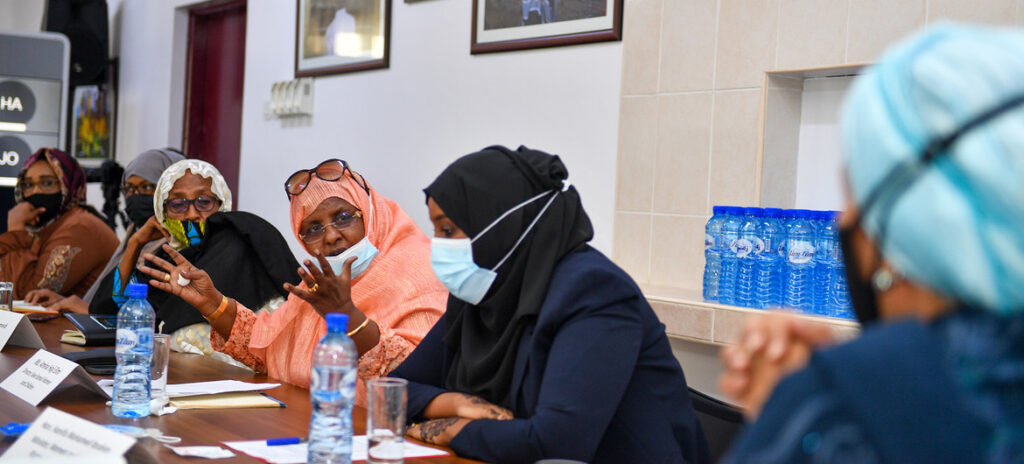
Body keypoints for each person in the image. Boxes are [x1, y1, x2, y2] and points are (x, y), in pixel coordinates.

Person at [718, 24, 1024, 463]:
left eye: (853, 190)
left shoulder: (842, 407)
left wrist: (821, 408)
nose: (844, 220)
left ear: (906, 219)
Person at [390, 146, 711, 464]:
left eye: (448, 230)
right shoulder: (482, 287)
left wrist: (449, 431)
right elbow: (394, 391)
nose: (439, 246)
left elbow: (557, 442)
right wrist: (455, 403)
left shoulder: (594, 291)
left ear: (499, 222)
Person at [139, 159, 446, 405]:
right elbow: (264, 348)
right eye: (312, 228)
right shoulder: (321, 284)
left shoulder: (418, 272)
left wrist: (348, 317)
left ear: (370, 213)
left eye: (343, 217)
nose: (330, 235)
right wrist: (214, 304)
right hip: (303, 423)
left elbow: (417, 384)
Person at [91, 159, 300, 360]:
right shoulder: (165, 258)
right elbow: (108, 310)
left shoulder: (236, 242)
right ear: (162, 213)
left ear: (221, 204)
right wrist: (135, 243)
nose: (191, 214)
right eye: (178, 205)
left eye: (204, 202)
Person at [23, 148, 186, 312]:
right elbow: (109, 300)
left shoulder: (179, 249)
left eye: (148, 187)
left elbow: (139, 312)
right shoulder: (135, 237)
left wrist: (16, 230)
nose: (136, 196)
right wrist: (73, 303)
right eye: (130, 189)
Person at [0, 148, 119, 299]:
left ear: (67, 185)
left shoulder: (79, 227)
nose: (36, 191)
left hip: (79, 323)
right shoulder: (48, 227)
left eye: (47, 183)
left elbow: (24, 297)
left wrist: (16, 229)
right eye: (28, 185)